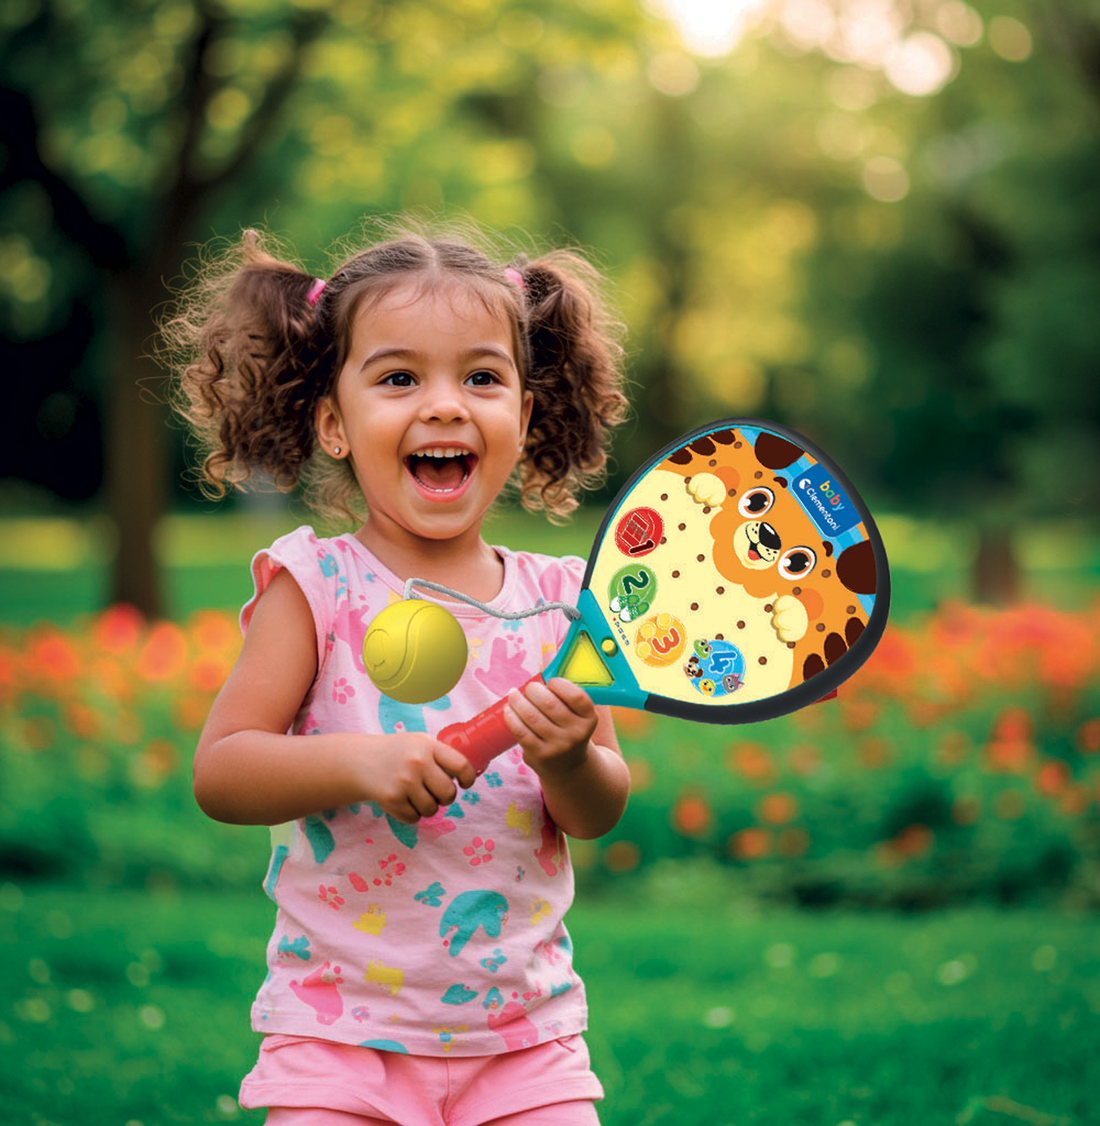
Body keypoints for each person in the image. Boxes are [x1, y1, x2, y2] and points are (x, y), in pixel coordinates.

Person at [162, 218, 632, 1125]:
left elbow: (599, 810)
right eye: (400, 377)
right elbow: (221, 770)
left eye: (483, 377)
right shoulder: (318, 586)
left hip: (525, 1042)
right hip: (341, 1041)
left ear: (525, 416)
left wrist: (571, 759)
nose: (447, 405)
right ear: (335, 424)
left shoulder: (559, 603)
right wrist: (359, 763)